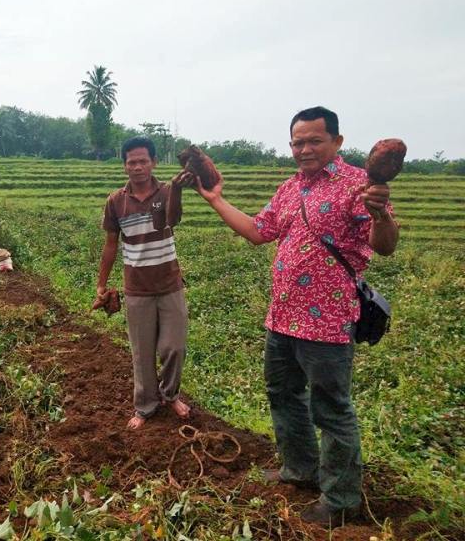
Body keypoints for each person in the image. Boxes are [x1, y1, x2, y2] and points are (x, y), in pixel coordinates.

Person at [191, 106, 399, 526]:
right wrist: (215, 200)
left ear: (337, 142)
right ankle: (299, 470)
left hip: (326, 322)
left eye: (314, 141)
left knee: (332, 409)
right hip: (282, 317)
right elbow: (257, 231)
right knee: (283, 395)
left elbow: (386, 245)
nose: (304, 149)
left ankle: (340, 500)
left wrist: (379, 213)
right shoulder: (289, 189)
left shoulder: (360, 184)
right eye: (297, 142)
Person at [96, 136, 194, 430]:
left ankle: (170, 395)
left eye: (143, 161)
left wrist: (176, 188)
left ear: (153, 162)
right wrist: (101, 283)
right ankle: (145, 405)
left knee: (174, 347)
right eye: (131, 162)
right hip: (136, 289)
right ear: (125, 165)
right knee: (141, 351)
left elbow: (172, 220)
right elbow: (111, 244)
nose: (137, 167)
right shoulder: (116, 201)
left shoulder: (166, 192)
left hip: (169, 284)